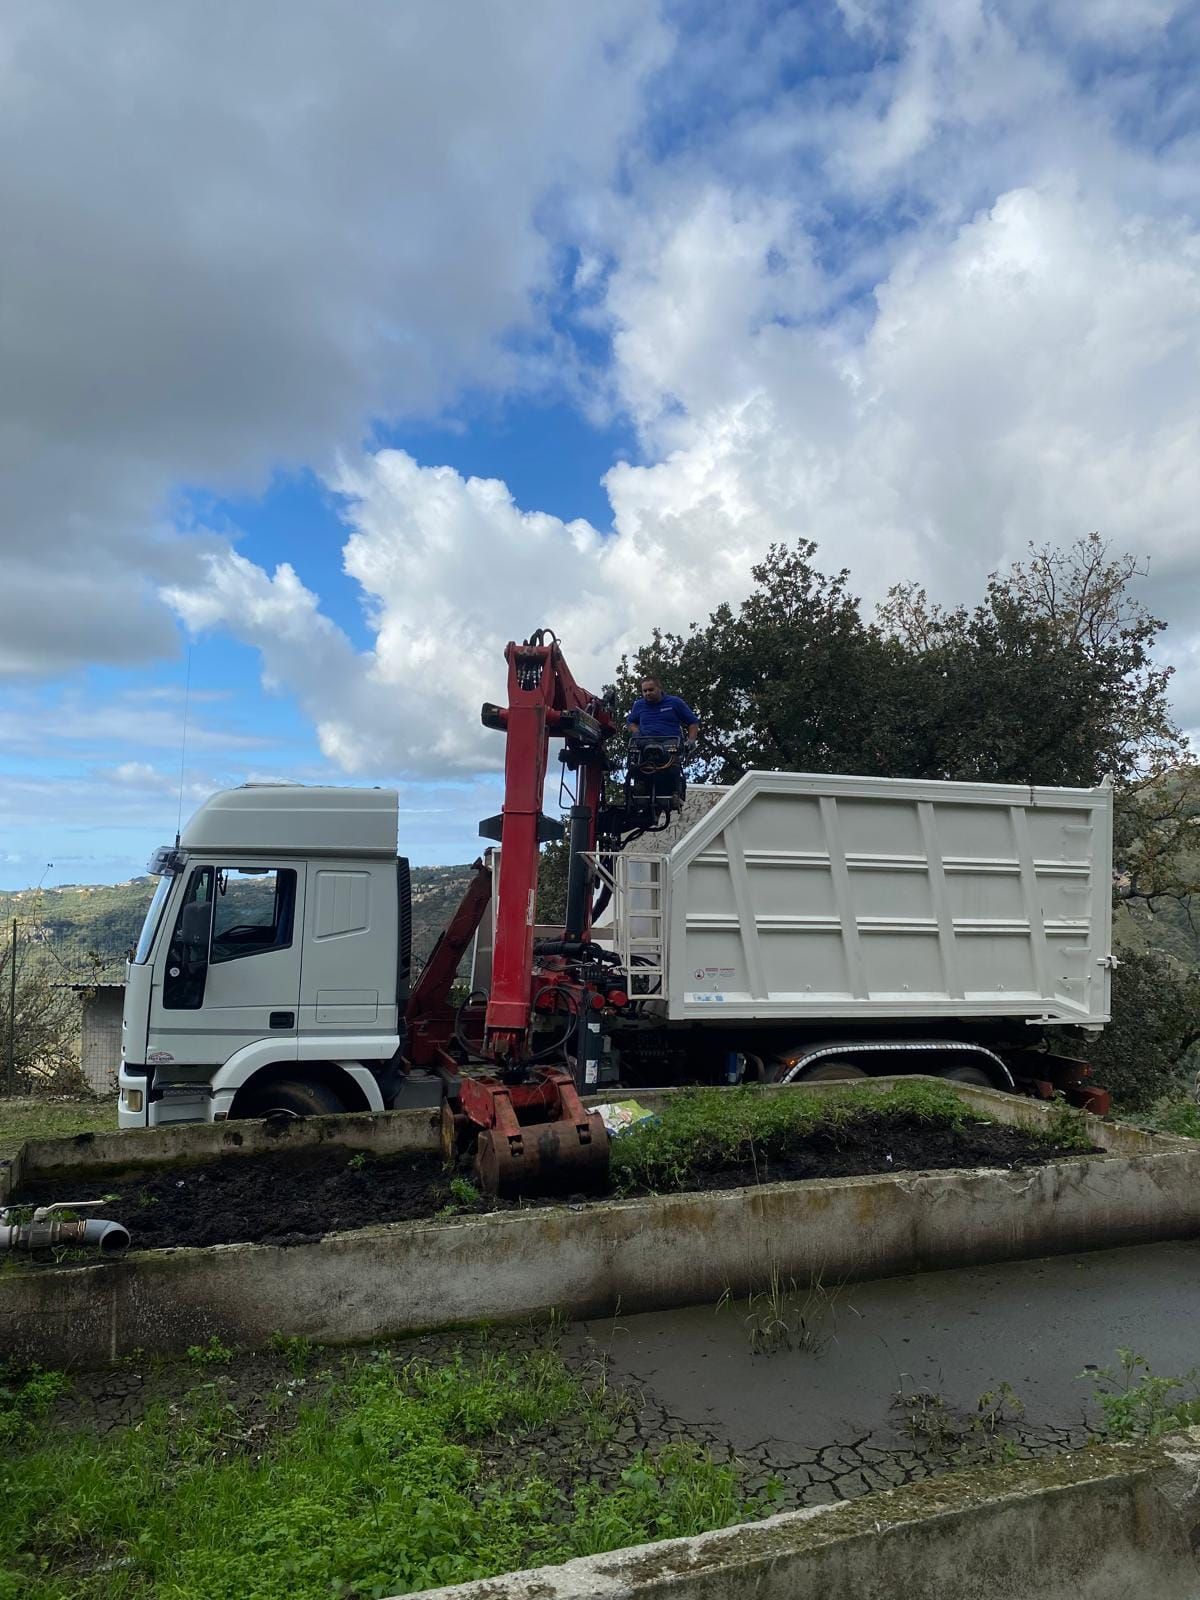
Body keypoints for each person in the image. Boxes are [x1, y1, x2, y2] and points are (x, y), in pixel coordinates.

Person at [625, 678, 700, 744]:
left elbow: (693, 722)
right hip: (646, 744)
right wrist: (636, 733)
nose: (647, 693)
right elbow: (631, 722)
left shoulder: (675, 702)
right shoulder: (638, 705)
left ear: (660, 689)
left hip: (670, 744)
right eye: (645, 691)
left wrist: (691, 740)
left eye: (651, 690)